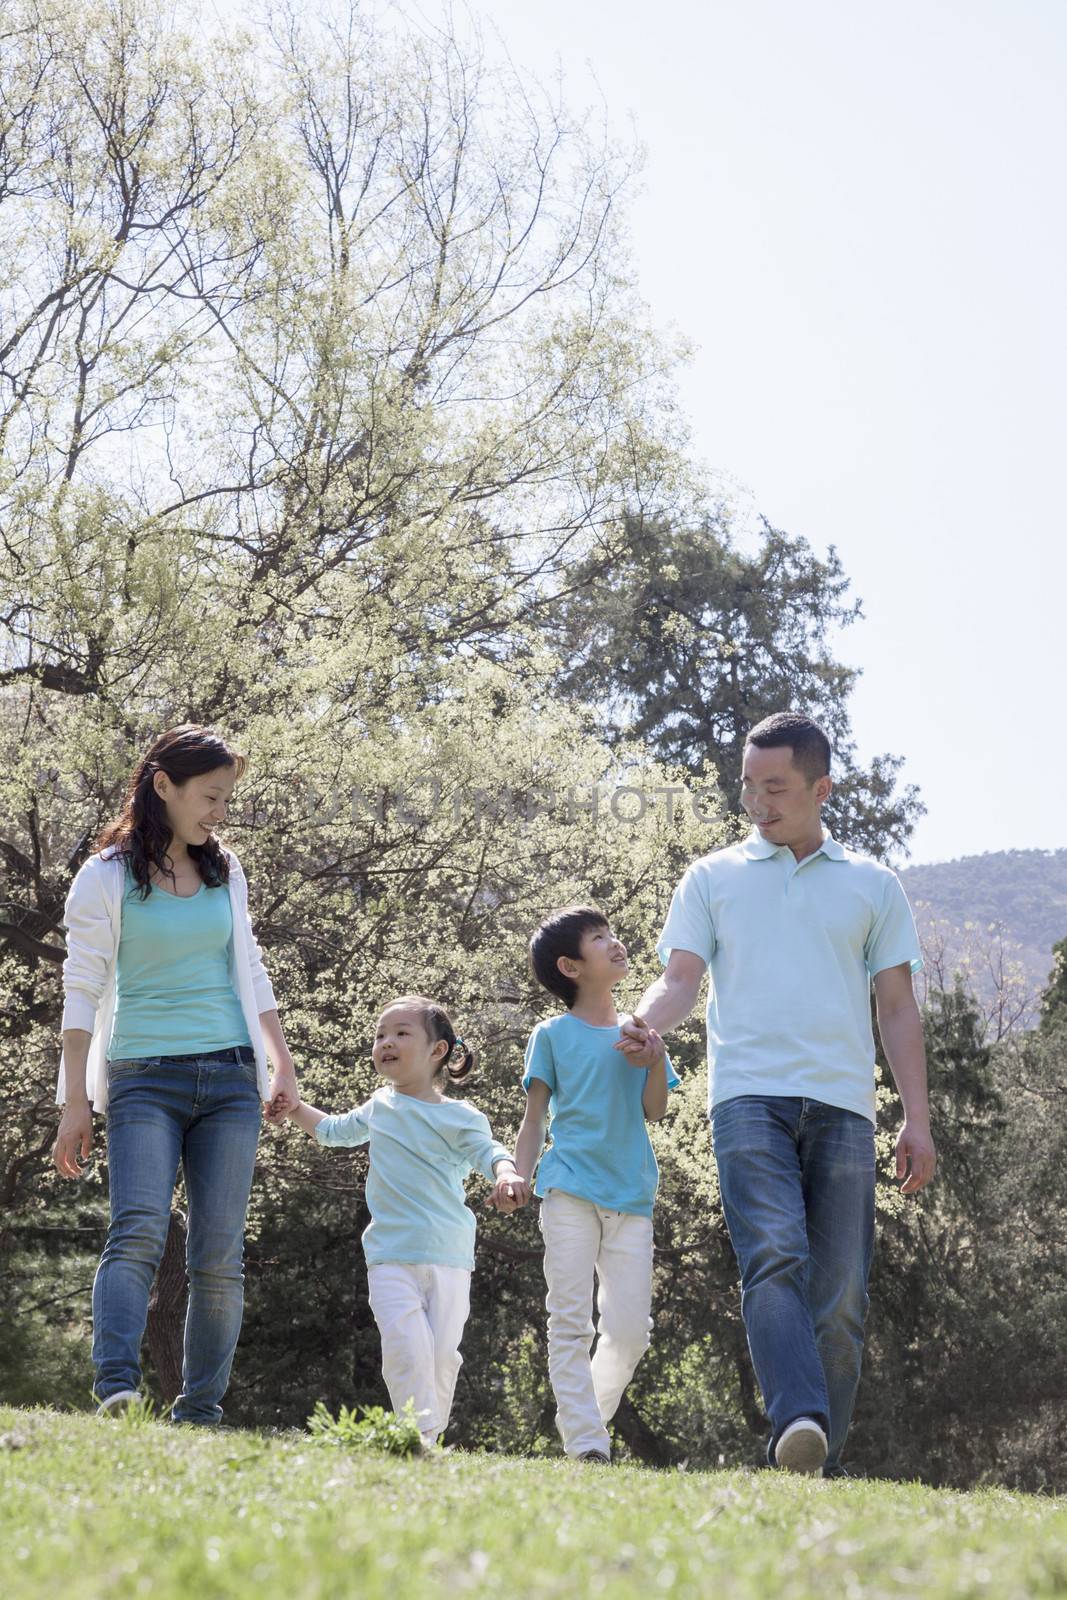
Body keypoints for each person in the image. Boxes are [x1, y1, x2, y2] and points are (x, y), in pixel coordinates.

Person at [618, 711, 936, 1476]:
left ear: (820, 787)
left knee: (841, 1300)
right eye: (747, 788)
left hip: (843, 1108)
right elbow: (679, 981)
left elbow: (895, 1008)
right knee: (773, 1257)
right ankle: (796, 1418)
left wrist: (915, 1118)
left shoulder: (871, 885)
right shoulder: (711, 877)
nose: (757, 804)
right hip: (747, 1096)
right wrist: (642, 1023)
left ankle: (816, 1458)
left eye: (776, 788)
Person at [53, 724, 299, 1424]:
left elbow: (249, 967)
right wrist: (76, 1101)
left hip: (229, 1078)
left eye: (226, 798)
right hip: (143, 1077)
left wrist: (282, 1062)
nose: (219, 812)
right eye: (210, 796)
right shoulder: (105, 877)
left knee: (218, 1253)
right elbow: (82, 989)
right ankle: (117, 1391)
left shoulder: (226, 870)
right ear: (163, 785)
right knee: (136, 1230)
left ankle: (199, 1409)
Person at [271, 995, 525, 1450]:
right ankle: (420, 1435)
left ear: (437, 1052)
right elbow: (331, 1132)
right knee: (406, 1346)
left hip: (448, 1254)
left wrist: (506, 1174)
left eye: (401, 1033)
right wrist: (293, 1107)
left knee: (442, 1355)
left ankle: (429, 1432)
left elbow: (488, 1152)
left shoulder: (460, 1116)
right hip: (389, 1254)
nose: (386, 1042)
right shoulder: (378, 1107)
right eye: (380, 1035)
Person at [514, 906, 678, 1463]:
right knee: (570, 1321)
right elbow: (535, 1119)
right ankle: (586, 1445)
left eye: (612, 933)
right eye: (598, 938)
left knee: (630, 1334)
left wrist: (655, 1061)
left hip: (631, 1198)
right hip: (568, 1192)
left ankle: (589, 1423)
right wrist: (517, 1172)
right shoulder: (552, 1035)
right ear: (570, 965)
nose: (614, 943)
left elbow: (654, 1111)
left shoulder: (640, 1032)